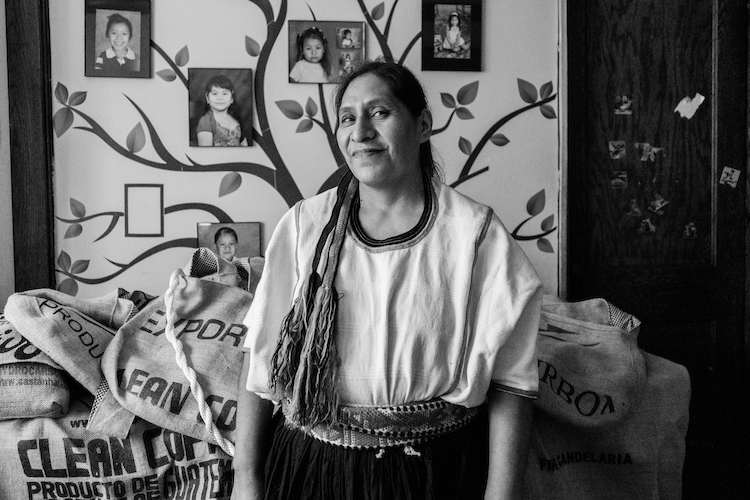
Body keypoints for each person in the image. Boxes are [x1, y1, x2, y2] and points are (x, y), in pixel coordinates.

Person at [233, 61, 543, 500]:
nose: (360, 132)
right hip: (310, 467)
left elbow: (512, 382)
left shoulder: (475, 235)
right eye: (347, 117)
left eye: (379, 112)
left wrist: (501, 494)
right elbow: (260, 358)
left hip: (433, 473)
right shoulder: (305, 225)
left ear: (423, 125)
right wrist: (246, 480)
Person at [196, 75, 248, 147]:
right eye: (215, 93)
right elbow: (206, 154)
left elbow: (245, 148)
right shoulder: (205, 121)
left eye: (225, 93)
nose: (220, 98)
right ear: (207, 98)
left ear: (232, 98)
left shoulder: (237, 119)